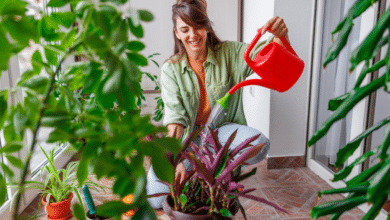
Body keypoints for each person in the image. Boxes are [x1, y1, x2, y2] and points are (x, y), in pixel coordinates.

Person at [146, 0, 291, 209]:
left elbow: (266, 53)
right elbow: (175, 120)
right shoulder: (171, 69)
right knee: (156, 200)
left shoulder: (230, 53)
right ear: (177, 33)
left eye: (198, 26)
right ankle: (197, 166)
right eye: (185, 29)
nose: (193, 35)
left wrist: (280, 36)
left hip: (222, 132)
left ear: (206, 26)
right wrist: (175, 160)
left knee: (260, 145)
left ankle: (215, 171)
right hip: (189, 139)